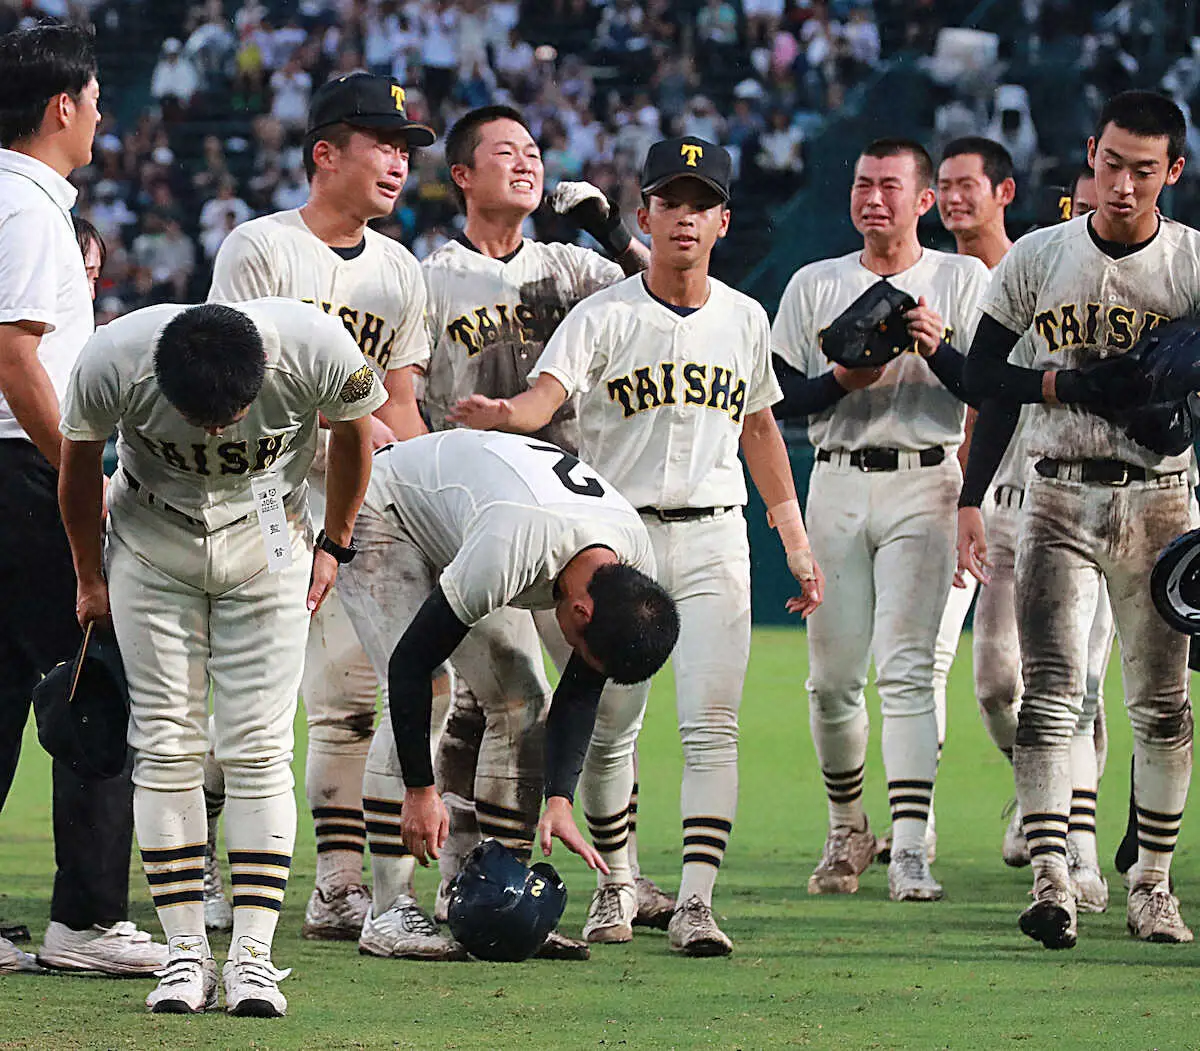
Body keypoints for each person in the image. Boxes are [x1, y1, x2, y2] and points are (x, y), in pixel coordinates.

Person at [451, 136, 822, 955]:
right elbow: (545, 398)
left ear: (723, 221)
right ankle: (617, 882)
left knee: (711, 725)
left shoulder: (744, 316)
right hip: (619, 541)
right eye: (669, 202)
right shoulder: (604, 313)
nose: (684, 218)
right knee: (611, 725)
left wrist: (793, 536)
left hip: (716, 533)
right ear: (644, 215)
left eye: (701, 205)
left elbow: (761, 427)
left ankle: (696, 901)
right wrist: (503, 414)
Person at [58, 299, 382, 1013]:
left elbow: (357, 431)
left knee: (259, 747)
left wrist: (336, 542)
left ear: (262, 373)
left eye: (226, 416)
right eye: (197, 417)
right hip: (150, 535)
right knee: (164, 745)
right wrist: (88, 575)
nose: (212, 430)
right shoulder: (111, 357)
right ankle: (184, 952)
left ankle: (252, 957)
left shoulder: (318, 345)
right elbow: (78, 464)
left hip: (269, 527)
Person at [402, 103, 671, 953]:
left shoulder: (571, 265)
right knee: (494, 699)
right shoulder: (431, 276)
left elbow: (663, 293)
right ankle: (445, 877)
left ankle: (595, 873)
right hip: (474, 509)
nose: (526, 162)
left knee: (576, 692)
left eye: (533, 150)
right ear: (462, 175)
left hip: (566, 516)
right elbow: (402, 386)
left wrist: (611, 231)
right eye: (504, 151)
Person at [205, 71, 442, 950]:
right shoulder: (260, 249)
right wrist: (348, 419)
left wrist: (423, 485)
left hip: (363, 497)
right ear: (325, 153)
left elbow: (403, 403)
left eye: (405, 148)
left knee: (367, 691)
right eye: (382, 143)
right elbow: (235, 386)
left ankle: (343, 886)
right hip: (265, 496)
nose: (398, 161)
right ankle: (205, 861)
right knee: (257, 696)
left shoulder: (401, 269)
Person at [958, 91, 1199, 949]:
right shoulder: (1038, 255)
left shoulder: (1190, 262)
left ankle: (1152, 885)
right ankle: (1053, 879)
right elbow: (981, 375)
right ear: (1091, 154)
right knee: (1049, 695)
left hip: (1161, 496)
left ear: (1174, 171)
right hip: (1057, 490)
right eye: (1112, 165)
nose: (1124, 185)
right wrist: (1062, 385)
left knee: (1162, 703)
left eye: (1144, 170)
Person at [770, 138, 990, 902]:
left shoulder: (962, 278)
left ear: (923, 200)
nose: (873, 198)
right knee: (831, 679)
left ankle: (911, 848)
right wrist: (841, 379)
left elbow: (992, 389)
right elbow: (776, 396)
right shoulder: (815, 282)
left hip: (927, 478)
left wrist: (942, 350)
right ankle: (847, 826)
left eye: (890, 186)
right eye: (863, 183)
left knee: (906, 670)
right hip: (835, 479)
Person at [334, 427, 679, 893]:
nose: (580, 662)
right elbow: (408, 663)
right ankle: (389, 911)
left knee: (523, 703)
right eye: (583, 650)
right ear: (582, 611)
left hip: (476, 521)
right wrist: (420, 791)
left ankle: (488, 892)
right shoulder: (511, 550)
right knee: (431, 691)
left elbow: (580, 691)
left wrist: (559, 801)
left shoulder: (630, 567)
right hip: (385, 508)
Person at [0, 20, 164, 978]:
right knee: (97, 679)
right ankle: (90, 919)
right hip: (24, 473)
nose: (103, 115)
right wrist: (78, 473)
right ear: (62, 106)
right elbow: (16, 355)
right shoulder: (28, 208)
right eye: (96, 100)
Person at [941, 144, 1115, 909]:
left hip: (1107, 500)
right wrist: (970, 496)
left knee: (1078, 688)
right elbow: (992, 394)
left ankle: (1080, 848)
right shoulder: (1035, 285)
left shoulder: (1146, 293)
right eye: (1078, 208)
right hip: (1017, 500)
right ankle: (1035, 788)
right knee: (995, 684)